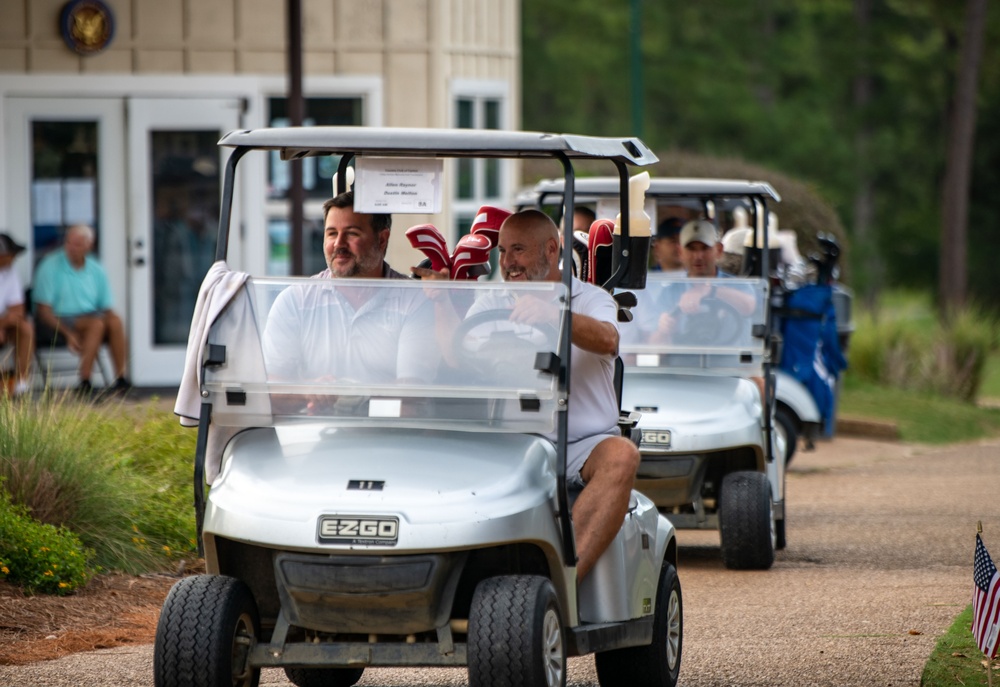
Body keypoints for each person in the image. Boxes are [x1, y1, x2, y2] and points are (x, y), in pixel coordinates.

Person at [415, 209, 639, 581]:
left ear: (551, 250)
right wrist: (440, 301)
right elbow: (457, 355)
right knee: (429, 450)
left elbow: (607, 340)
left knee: (622, 455)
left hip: (580, 444)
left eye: (517, 250)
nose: (507, 262)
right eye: (502, 252)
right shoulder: (493, 301)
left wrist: (554, 313)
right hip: (511, 442)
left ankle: (566, 581)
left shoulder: (589, 298)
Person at [262, 191, 438, 396]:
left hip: (387, 428)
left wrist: (352, 398)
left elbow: (412, 400)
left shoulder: (414, 301)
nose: (338, 244)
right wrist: (308, 392)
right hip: (310, 426)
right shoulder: (294, 301)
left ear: (382, 240)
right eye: (331, 233)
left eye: (352, 233)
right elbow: (269, 394)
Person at [32, 224, 130, 396]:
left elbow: (106, 307)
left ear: (89, 246)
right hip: (57, 320)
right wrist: (68, 334)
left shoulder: (96, 268)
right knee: (97, 324)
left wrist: (114, 321)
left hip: (90, 317)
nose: (71, 248)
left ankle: (121, 379)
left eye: (77, 244)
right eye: (69, 243)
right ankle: (84, 382)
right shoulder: (49, 265)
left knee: (115, 321)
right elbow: (43, 312)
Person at [0, 233, 34, 395]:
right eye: (9, 255)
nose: (13, 259)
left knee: (25, 328)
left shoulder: (10, 272)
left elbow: (18, 310)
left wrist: (2, 325)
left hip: (5, 325)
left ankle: (21, 384)